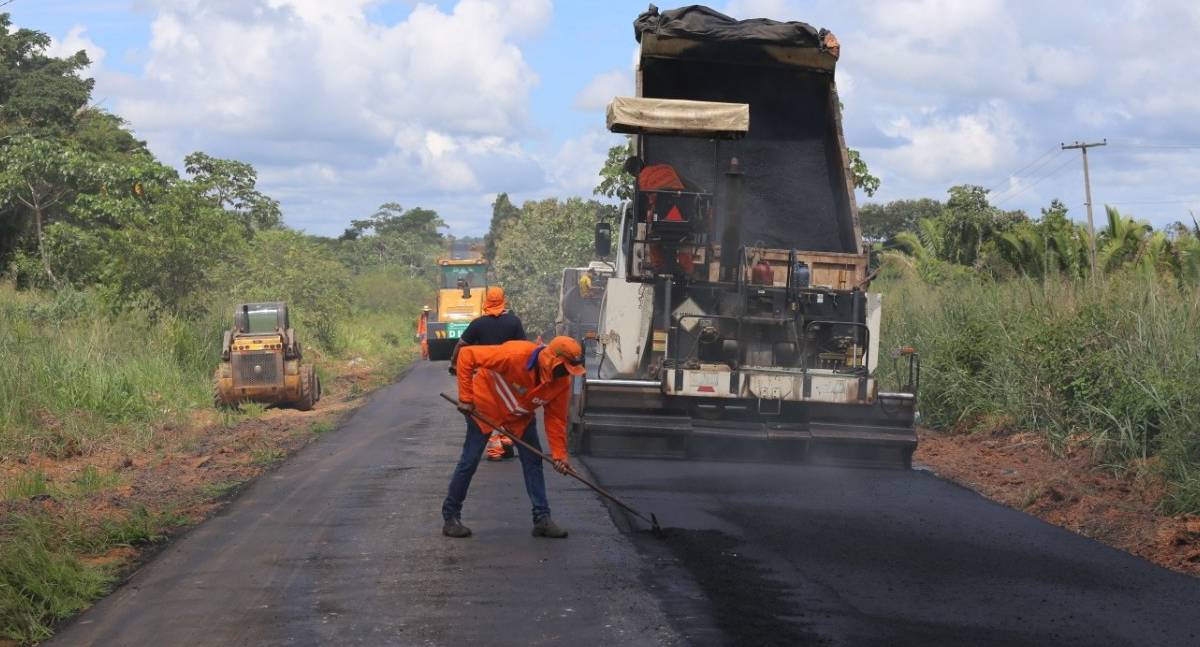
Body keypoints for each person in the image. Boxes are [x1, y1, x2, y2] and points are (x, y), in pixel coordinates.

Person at [442, 336, 586, 539]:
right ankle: (451, 517)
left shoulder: (561, 383)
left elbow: (555, 420)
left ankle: (542, 519)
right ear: (549, 359)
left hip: (519, 415)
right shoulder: (515, 354)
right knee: (470, 460)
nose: (564, 374)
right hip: (486, 406)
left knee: (533, 461)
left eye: (568, 371)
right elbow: (467, 355)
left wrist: (559, 456)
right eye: (562, 368)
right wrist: (465, 398)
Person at [449, 286, 526, 460]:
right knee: (508, 408)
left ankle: (495, 449)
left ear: (486, 301)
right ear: (503, 300)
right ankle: (507, 441)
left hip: (487, 376)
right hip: (509, 376)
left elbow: (461, 345)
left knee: (488, 412)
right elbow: (524, 348)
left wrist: (454, 362)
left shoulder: (478, 323)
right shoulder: (514, 322)